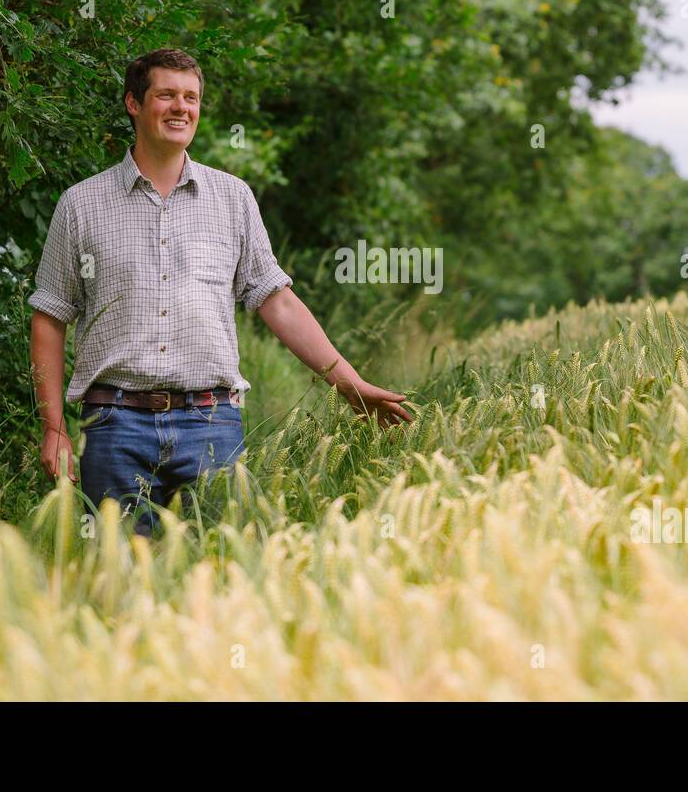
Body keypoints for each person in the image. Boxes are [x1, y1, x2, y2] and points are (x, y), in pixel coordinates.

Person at [29, 48, 413, 535]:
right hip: (112, 426)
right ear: (133, 103)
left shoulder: (233, 198)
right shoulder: (81, 204)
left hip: (210, 425)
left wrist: (349, 383)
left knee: (217, 574)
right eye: (166, 94)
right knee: (117, 583)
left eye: (191, 97)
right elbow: (50, 317)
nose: (180, 107)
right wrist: (55, 426)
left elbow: (277, 301)